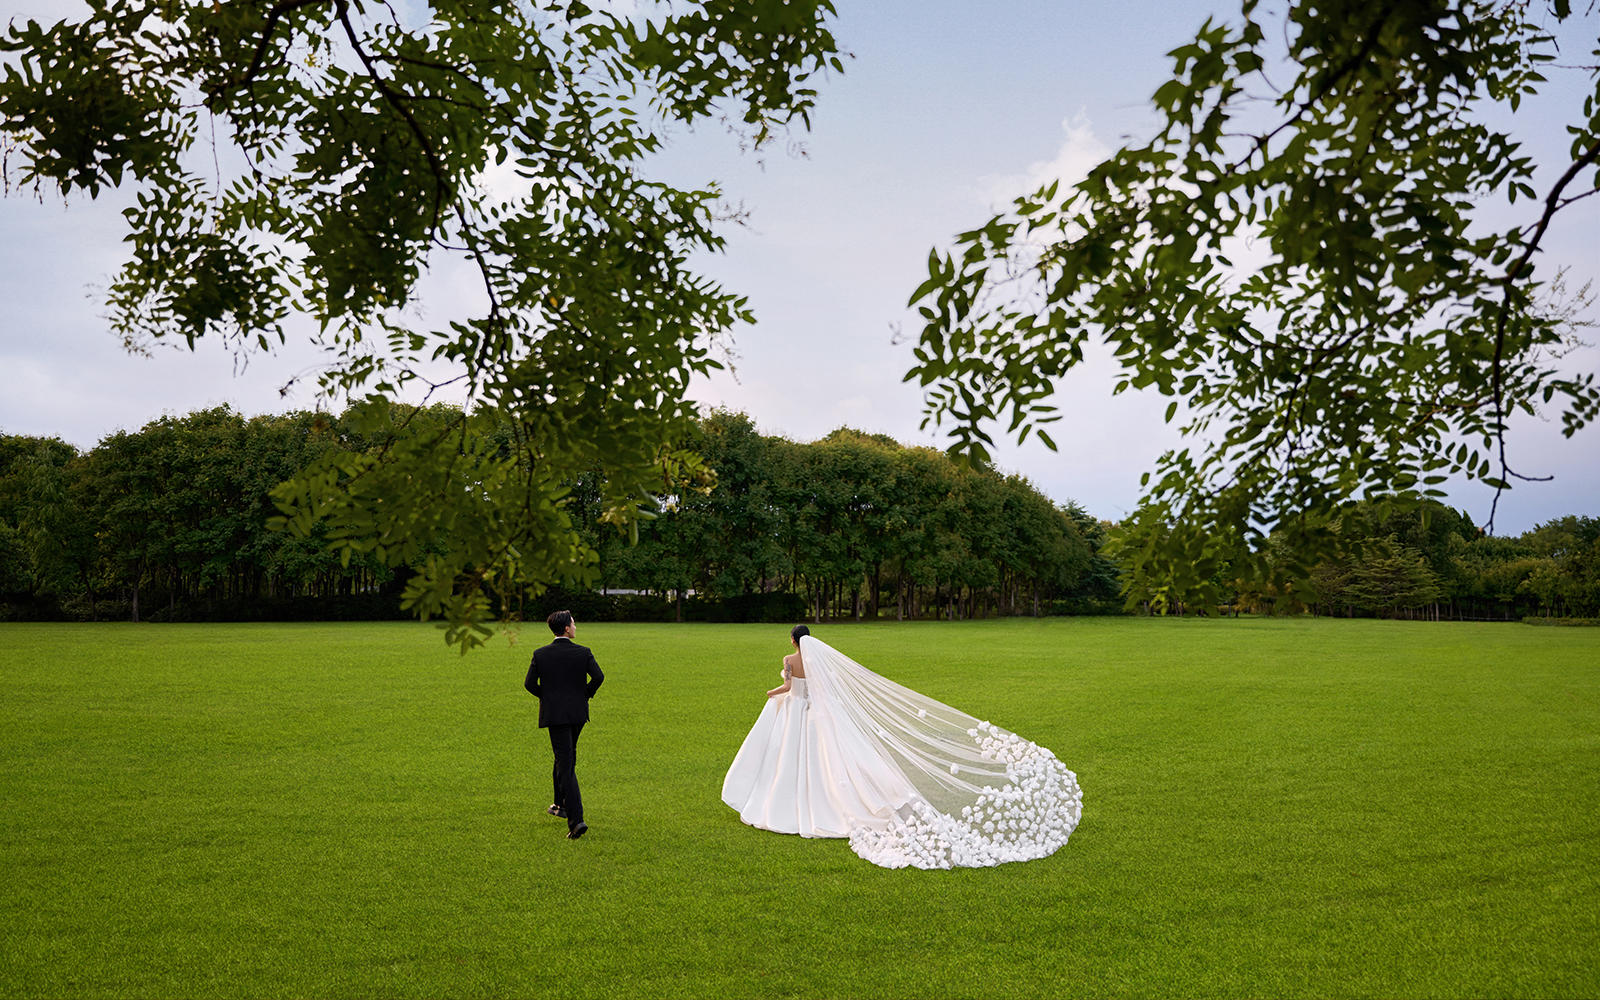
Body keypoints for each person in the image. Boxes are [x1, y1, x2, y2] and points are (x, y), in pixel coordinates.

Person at [721, 626, 1083, 869]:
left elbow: (787, 689)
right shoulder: (816, 662)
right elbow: (825, 691)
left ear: (792, 641)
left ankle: (792, 804)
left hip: (797, 713)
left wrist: (772, 693)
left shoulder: (789, 662)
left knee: (793, 761)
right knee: (826, 762)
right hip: (816, 713)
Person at [525, 610, 604, 840]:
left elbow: (529, 684)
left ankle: (576, 820)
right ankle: (559, 804)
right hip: (578, 714)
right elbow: (598, 677)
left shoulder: (541, 654)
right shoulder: (583, 653)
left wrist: (548, 698)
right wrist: (584, 696)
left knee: (565, 761)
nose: (576, 626)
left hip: (556, 715)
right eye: (574, 623)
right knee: (565, 758)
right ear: (567, 629)